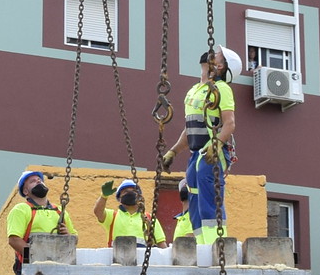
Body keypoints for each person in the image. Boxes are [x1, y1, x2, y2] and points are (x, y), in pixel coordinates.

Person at [163, 49, 239, 241]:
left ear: (220, 66)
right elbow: (191, 127)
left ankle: (216, 245)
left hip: (211, 153)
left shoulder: (221, 89)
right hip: (196, 154)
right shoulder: (195, 90)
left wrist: (217, 144)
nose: (213, 53)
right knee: (195, 204)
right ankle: (201, 245)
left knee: (210, 201)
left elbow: (229, 124)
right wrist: (174, 151)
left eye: (218, 54)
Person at [6, 171, 76, 275]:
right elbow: (14, 240)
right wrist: (35, 256)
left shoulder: (60, 211)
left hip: (60, 267)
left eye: (40, 180)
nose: (38, 181)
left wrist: (68, 236)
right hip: (31, 269)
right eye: (32, 181)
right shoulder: (21, 209)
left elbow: (74, 239)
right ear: (25, 191)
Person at [95, 178, 168, 249]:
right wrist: (103, 196)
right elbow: (98, 212)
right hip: (116, 259)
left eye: (133, 191)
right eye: (125, 192)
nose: (130, 193)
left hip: (143, 260)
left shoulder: (149, 218)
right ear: (119, 198)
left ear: (139, 197)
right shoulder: (112, 216)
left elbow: (161, 244)